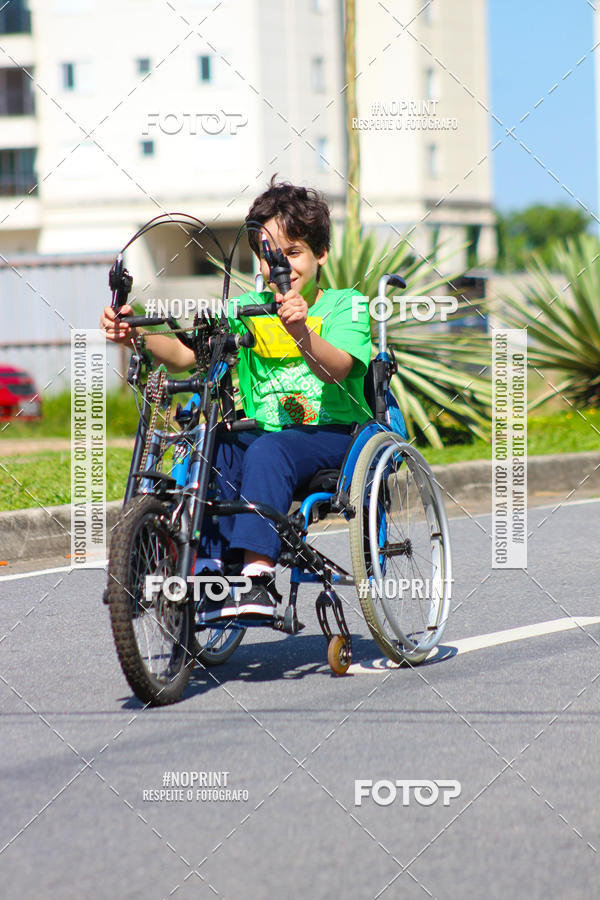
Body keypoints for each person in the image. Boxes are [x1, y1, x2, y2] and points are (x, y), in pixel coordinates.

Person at [101, 179, 372, 620]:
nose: (281, 267)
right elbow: (188, 355)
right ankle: (208, 569)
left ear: (321, 254)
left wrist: (301, 331)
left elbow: (336, 368)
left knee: (267, 448)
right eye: (270, 256)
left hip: (335, 434)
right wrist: (137, 337)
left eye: (294, 252)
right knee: (219, 442)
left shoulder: (346, 306)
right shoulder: (247, 307)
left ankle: (257, 576)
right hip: (266, 435)